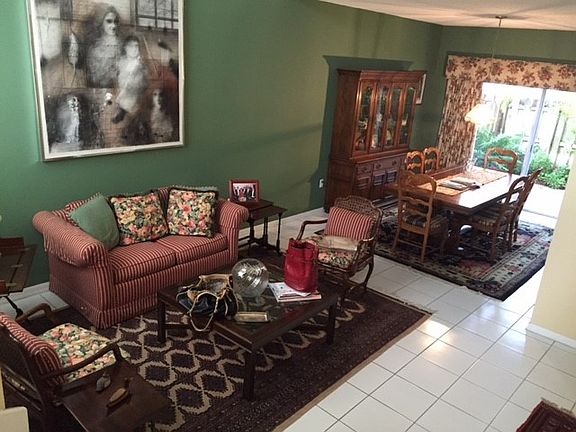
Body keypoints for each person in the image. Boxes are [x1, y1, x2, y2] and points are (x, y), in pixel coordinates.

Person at [113, 35, 148, 123]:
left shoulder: (141, 65)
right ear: (125, 47)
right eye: (131, 46)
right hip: (119, 100)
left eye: (136, 46)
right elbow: (115, 80)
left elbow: (144, 86)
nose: (134, 49)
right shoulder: (120, 62)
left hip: (134, 104)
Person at [86, 6, 121, 88]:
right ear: (101, 23)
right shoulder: (94, 49)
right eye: (109, 21)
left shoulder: (121, 45)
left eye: (115, 22)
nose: (113, 26)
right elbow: (94, 78)